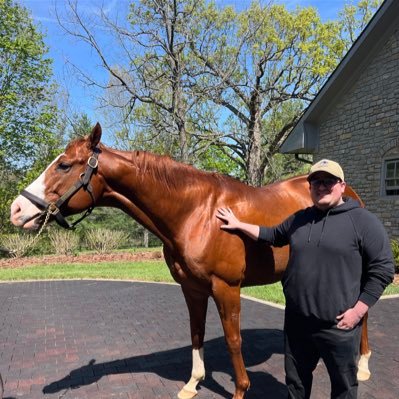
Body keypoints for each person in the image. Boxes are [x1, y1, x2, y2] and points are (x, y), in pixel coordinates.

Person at [216, 159, 395, 399]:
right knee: (296, 386)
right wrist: (239, 224)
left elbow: (383, 270)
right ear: (310, 187)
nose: (322, 187)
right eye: (316, 182)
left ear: (342, 185)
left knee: (343, 389)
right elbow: (272, 235)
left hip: (339, 326)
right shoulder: (300, 218)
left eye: (328, 181)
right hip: (297, 325)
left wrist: (358, 311)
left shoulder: (363, 222)